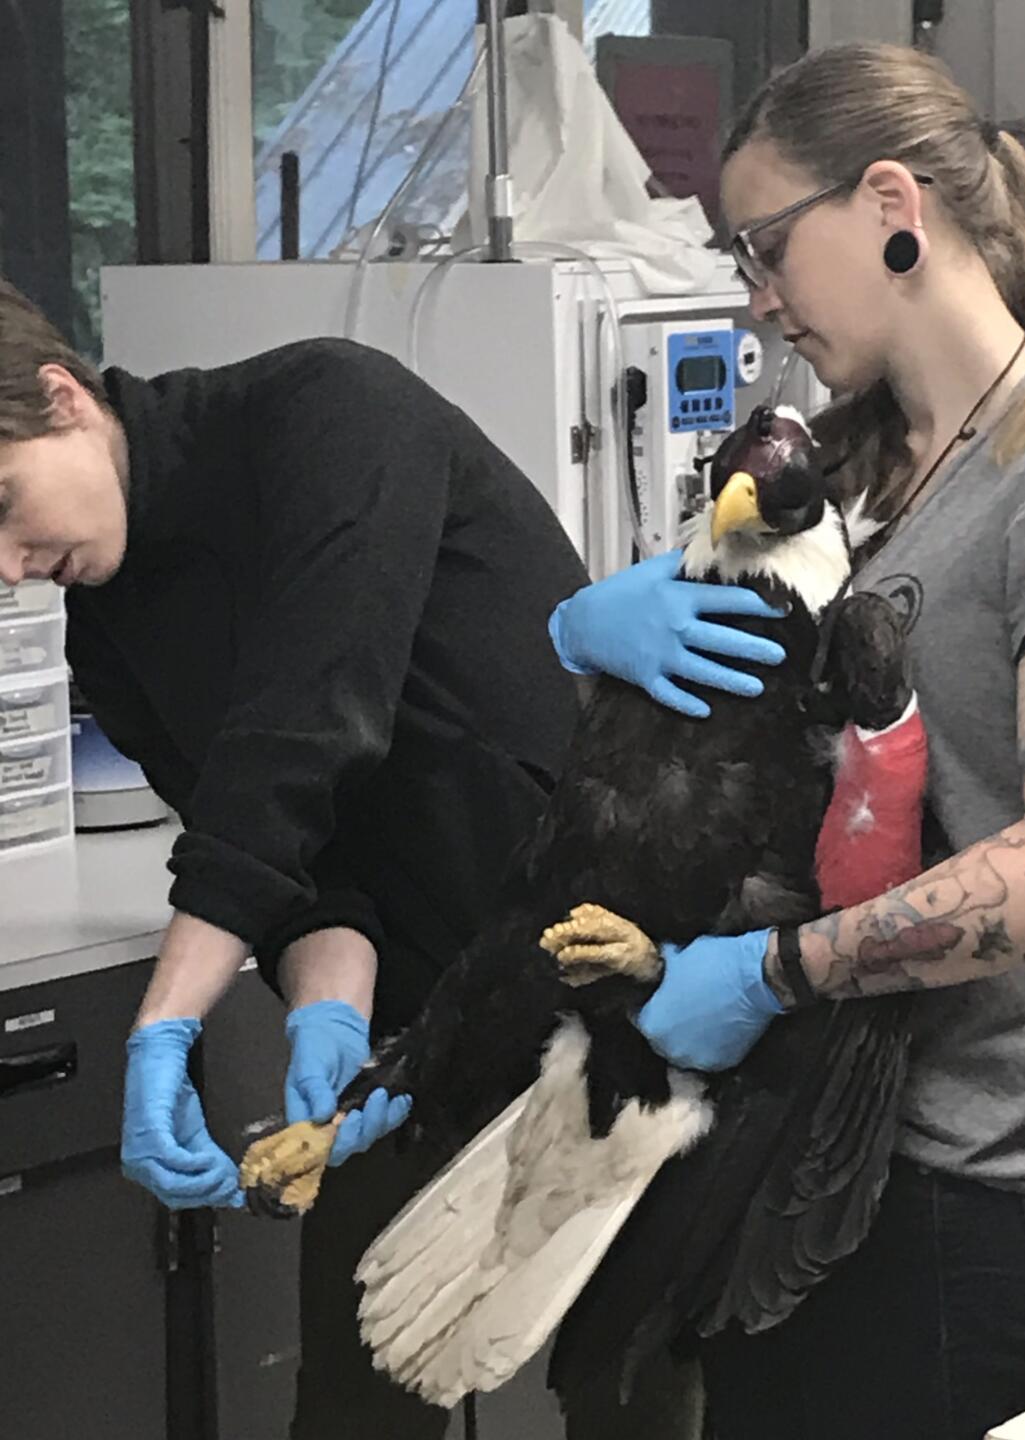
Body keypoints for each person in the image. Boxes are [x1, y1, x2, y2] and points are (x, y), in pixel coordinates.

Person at [0, 283, 777, 1438]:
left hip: (608, 985)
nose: (12, 566)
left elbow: (310, 723)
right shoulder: (107, 628)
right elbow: (300, 872)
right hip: (420, 1022)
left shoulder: (329, 411)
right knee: (358, 1394)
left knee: (628, 1390)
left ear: (61, 399)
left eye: (5, 507)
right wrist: (328, 1011)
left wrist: (164, 1020)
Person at [548, 41, 1025, 1440]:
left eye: (766, 248)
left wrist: (773, 972)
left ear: (890, 200)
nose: (756, 300)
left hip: (948, 1191)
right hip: (791, 1140)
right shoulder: (855, 465)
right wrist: (581, 628)